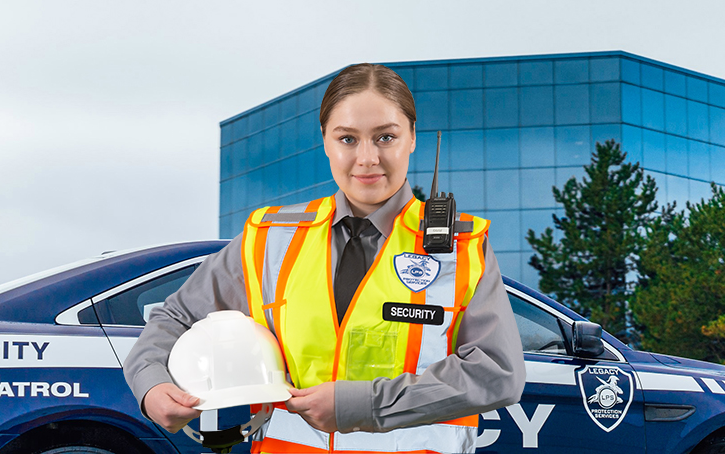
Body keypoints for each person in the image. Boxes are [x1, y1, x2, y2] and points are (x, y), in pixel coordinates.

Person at [124, 63, 525, 453]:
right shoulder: (270, 238)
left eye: (385, 137)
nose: (367, 158)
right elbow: (174, 318)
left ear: (412, 137)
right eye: (347, 139)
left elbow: (498, 372)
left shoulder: (461, 247)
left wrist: (362, 405)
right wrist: (151, 384)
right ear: (325, 141)